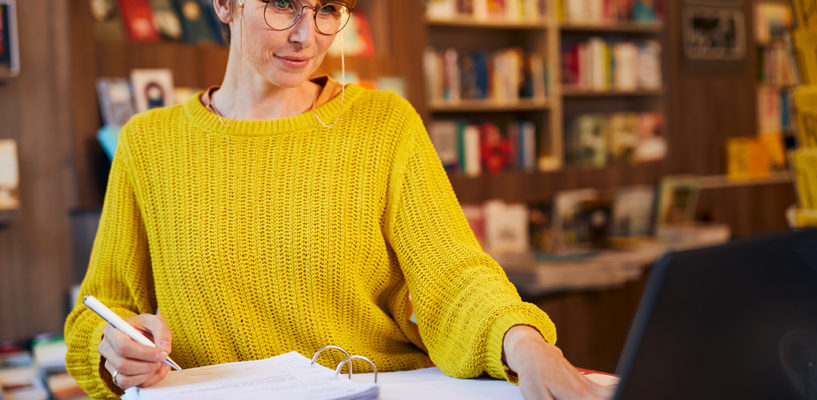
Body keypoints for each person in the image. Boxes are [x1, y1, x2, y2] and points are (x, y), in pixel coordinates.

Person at [64, 1, 611, 399]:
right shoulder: (149, 143)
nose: (307, 34)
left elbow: (455, 275)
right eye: (283, 6)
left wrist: (527, 344)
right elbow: (96, 314)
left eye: (327, 9)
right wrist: (115, 349)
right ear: (224, 5)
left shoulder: (385, 124)